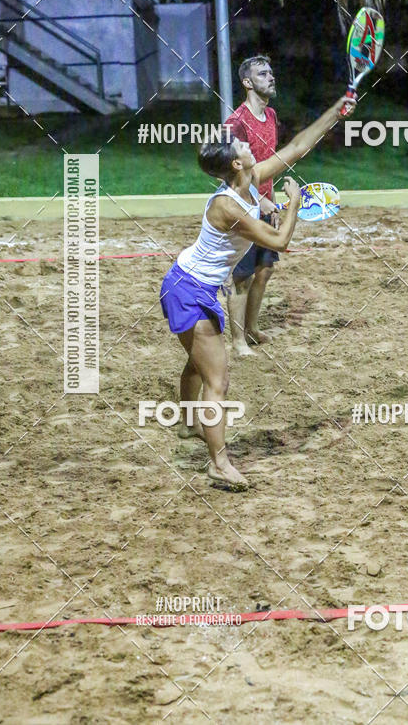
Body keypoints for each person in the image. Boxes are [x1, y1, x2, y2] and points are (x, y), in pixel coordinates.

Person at [159, 92, 356, 490]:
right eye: (241, 144)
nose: (247, 143)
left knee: (200, 363)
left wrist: (338, 109)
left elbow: (298, 146)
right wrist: (294, 204)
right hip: (187, 289)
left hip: (192, 285)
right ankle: (218, 464)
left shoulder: (248, 180)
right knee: (218, 380)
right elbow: (280, 240)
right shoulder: (227, 206)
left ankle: (186, 423)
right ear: (236, 162)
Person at [225, 55, 280, 356]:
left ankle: (252, 328)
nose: (270, 77)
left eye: (271, 72)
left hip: (265, 205)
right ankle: (237, 341)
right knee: (241, 278)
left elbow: (265, 165)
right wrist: (260, 201)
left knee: (264, 269)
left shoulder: (271, 116)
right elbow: (229, 175)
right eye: (262, 74)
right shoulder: (235, 122)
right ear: (247, 82)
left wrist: (271, 199)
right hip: (243, 208)